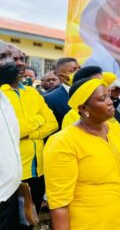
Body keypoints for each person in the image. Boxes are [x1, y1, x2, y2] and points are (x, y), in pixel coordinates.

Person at [44, 75, 120, 230]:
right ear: (83, 108)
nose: (110, 101)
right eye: (102, 98)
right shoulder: (63, 142)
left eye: (109, 96)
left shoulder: (115, 129)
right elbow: (59, 205)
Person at [0, 43, 58, 229]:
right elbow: (16, 129)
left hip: (36, 171)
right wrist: (36, 121)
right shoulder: (3, 93)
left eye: (21, 58)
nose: (18, 63)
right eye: (9, 58)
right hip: (11, 179)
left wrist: (31, 134)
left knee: (29, 222)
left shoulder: (32, 92)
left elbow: (52, 123)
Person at [62, 66, 120, 134]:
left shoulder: (111, 121)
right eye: (97, 83)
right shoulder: (71, 118)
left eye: (103, 81)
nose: (103, 85)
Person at [0, 41, 22, 230]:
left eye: (12, 57)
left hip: (9, 195)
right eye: (3, 57)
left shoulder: (5, 99)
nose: (12, 63)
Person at [44, 57, 80, 128]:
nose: (79, 72)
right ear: (62, 76)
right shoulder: (50, 99)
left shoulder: (89, 92)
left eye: (79, 69)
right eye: (73, 70)